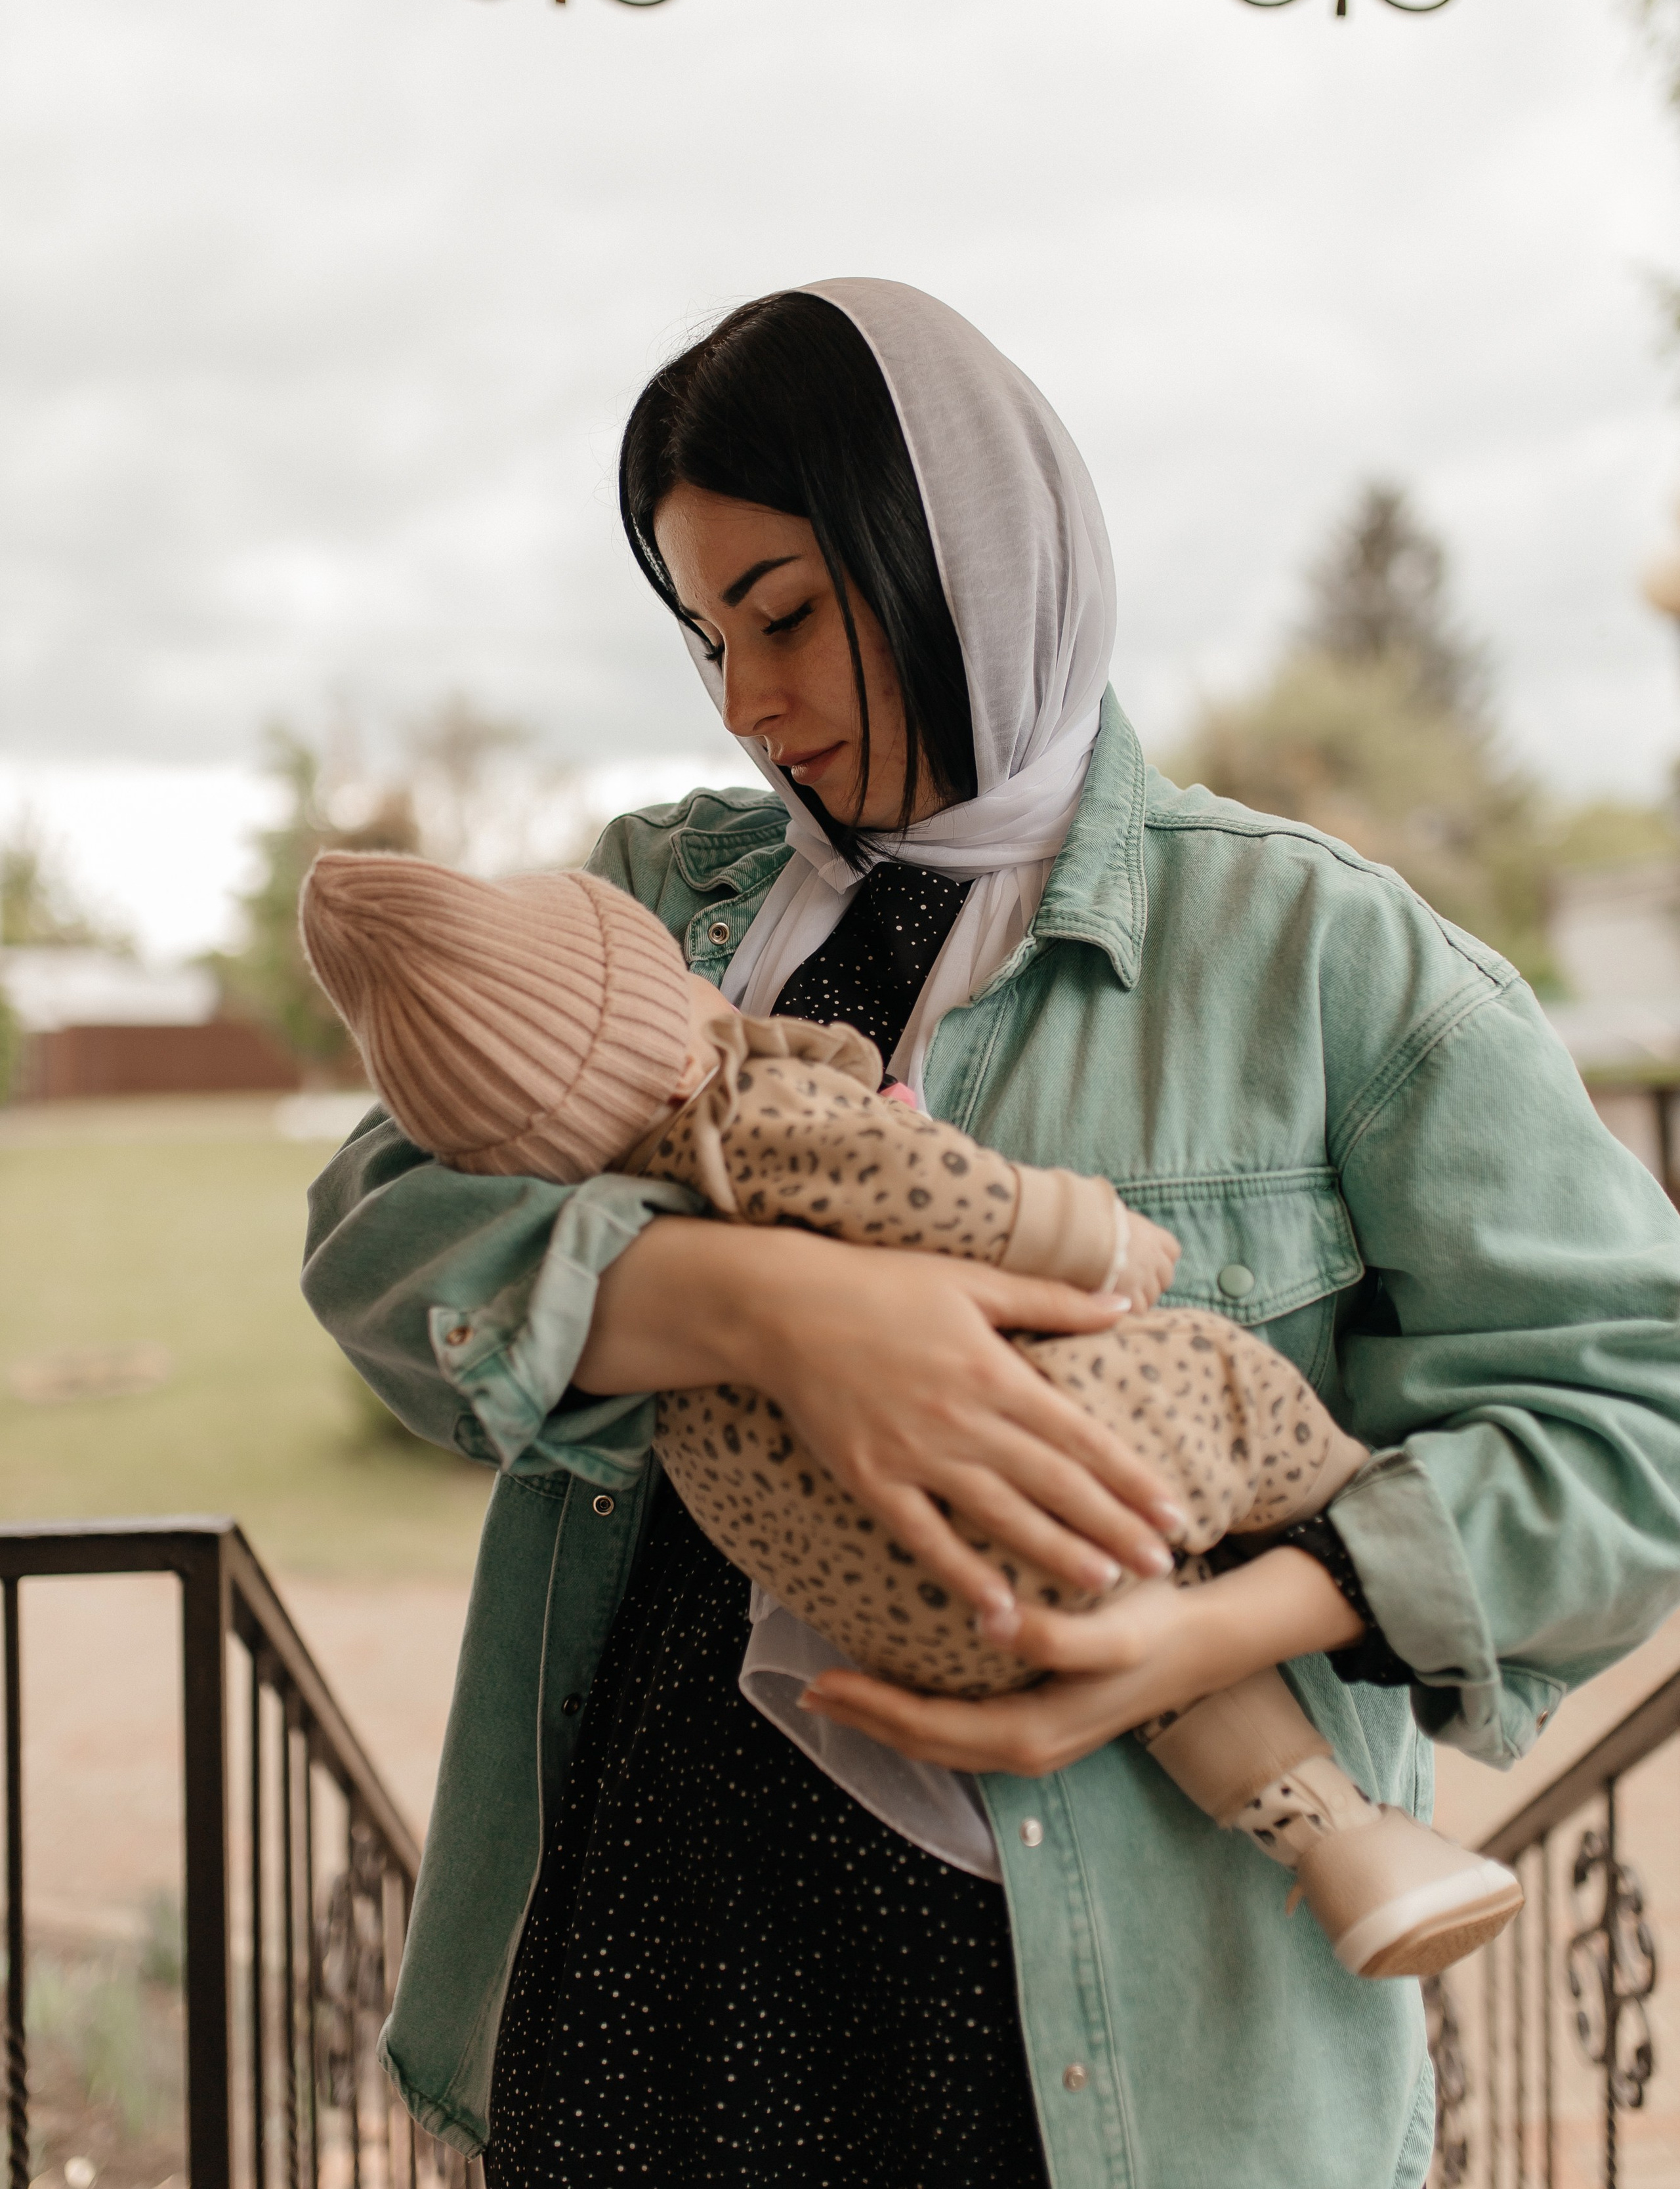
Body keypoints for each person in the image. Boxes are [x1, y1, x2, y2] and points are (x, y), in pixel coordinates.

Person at [302, 280, 1680, 2189]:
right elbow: (379, 1241)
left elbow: (1631, 1433)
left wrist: (1203, 1633)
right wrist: (761, 1311)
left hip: (1146, 2106)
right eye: (707, 640)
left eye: (784, 611)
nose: (749, 707)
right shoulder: (652, 910)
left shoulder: (1327, 964)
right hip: (662, 2005)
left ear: (959, 545)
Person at [299, 840, 1525, 1982]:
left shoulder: (626, 1234)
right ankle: (1349, 1528)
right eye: (675, 977)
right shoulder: (747, 1113)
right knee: (1227, 1392)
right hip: (1061, 1478)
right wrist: (1082, 1233)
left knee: (1159, 1654)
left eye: (783, 620)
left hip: (920, 1610)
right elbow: (926, 1186)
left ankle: (1339, 1841)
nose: (746, 702)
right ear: (670, 1044)